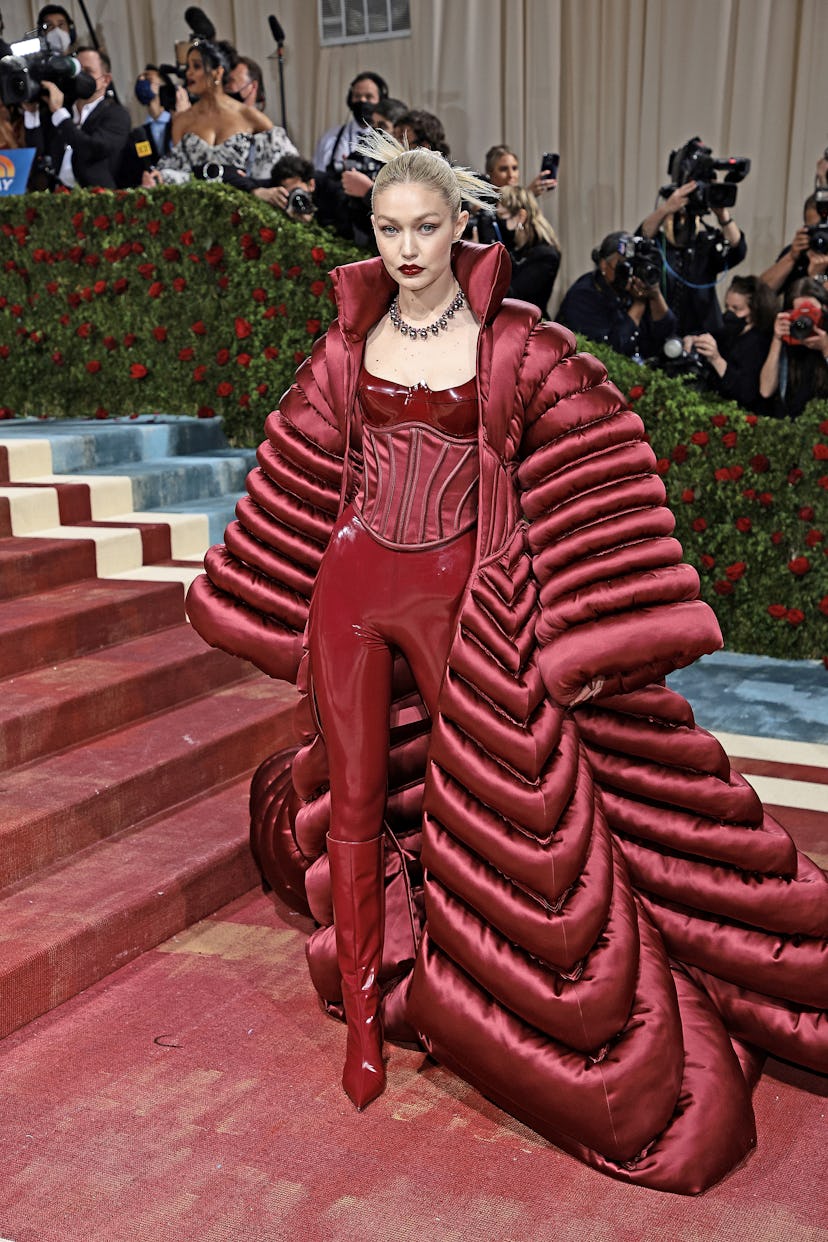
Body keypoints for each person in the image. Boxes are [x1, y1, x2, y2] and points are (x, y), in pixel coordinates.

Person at [185, 131, 827, 1196]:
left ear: (458, 228)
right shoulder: (347, 343)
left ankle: (486, 971)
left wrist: (542, 594)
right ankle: (364, 1032)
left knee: (491, 790)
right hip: (353, 593)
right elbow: (302, 462)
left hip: (455, 600)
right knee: (353, 807)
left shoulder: (516, 343)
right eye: (387, 229)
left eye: (424, 227)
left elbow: (595, 452)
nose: (404, 247)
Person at [141, 39, 295, 188]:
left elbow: (284, 166)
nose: (189, 73)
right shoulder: (182, 121)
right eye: (188, 67)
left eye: (197, 66)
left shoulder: (248, 116)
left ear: (218, 73)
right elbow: (180, 176)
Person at [638, 179, 747, 336]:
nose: (681, 222)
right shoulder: (656, 244)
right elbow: (640, 238)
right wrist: (665, 209)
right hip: (660, 331)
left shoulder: (706, 243)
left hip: (702, 333)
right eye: (676, 216)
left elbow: (738, 249)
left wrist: (722, 214)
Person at [22, 45, 130, 189]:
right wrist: (31, 112)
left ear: (105, 80)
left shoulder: (116, 114)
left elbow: (91, 149)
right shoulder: (60, 109)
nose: (79, 77)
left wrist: (60, 114)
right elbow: (36, 155)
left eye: (88, 71)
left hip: (97, 199)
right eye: (75, 71)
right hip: (57, 199)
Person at [557, 230, 676, 358]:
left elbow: (667, 335)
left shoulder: (634, 287)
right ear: (603, 265)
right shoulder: (583, 296)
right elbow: (610, 352)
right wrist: (638, 305)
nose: (630, 271)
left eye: (634, 264)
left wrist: (655, 295)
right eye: (624, 264)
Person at [681, 275, 776, 412]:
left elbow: (746, 393)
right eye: (727, 307)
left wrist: (716, 359)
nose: (729, 314)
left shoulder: (761, 343)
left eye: (736, 309)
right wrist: (694, 340)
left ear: (755, 310)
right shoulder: (727, 333)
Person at [759, 277, 828, 418]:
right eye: (800, 313)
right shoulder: (786, 339)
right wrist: (777, 339)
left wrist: (826, 349)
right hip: (791, 426)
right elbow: (765, 390)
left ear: (825, 309)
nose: (805, 321)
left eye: (811, 312)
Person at [496, 183, 560, 316]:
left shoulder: (546, 255)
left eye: (502, 216)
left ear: (521, 216)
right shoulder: (514, 246)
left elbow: (514, 298)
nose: (498, 223)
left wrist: (495, 251)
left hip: (528, 328)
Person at [118, 64, 185, 188]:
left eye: (148, 79)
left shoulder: (177, 123)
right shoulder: (139, 133)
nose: (142, 81)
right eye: (140, 79)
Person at [313, 70, 389, 173]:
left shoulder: (389, 139)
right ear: (350, 100)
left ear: (381, 101)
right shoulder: (330, 138)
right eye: (357, 96)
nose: (362, 100)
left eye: (369, 96)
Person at [759, 194, 828, 297]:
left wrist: (818, 277)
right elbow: (758, 296)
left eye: (825, 229)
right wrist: (791, 258)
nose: (821, 236)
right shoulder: (800, 252)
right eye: (815, 229)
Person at [485, 142, 556, 199]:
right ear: (490, 172)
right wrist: (528, 195)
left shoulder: (519, 199)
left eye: (514, 168)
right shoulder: (481, 207)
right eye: (503, 169)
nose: (511, 175)